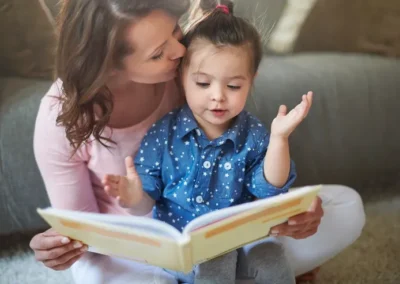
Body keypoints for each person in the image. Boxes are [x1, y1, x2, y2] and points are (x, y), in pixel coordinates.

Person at [29, 0, 365, 283]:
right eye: (159, 52)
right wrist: (59, 246)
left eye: (175, 31)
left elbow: (251, 167)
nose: (180, 51)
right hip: (133, 250)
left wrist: (296, 214)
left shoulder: (192, 71)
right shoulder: (61, 117)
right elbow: (83, 232)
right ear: (108, 64)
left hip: (228, 228)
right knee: (97, 271)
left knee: (345, 206)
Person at [102, 4, 311, 283]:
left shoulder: (254, 133)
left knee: (271, 257)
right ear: (181, 79)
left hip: (244, 241)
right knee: (217, 256)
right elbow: (144, 202)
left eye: (234, 86)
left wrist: (279, 139)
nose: (218, 97)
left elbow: (269, 189)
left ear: (251, 81)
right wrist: (133, 197)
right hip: (185, 251)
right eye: (203, 83)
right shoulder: (164, 134)